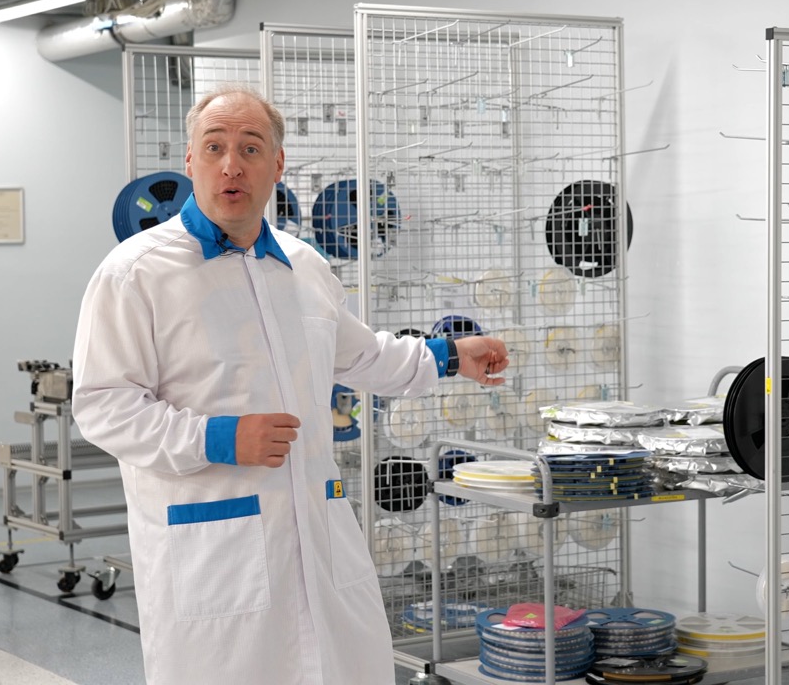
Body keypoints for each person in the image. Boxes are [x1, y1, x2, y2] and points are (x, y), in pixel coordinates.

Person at [72, 83, 509, 685]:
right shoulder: (135, 273)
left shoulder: (303, 266)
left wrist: (450, 354)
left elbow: (362, 356)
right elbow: (104, 406)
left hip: (319, 536)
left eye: (251, 148)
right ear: (191, 161)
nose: (232, 165)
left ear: (277, 165)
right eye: (215, 147)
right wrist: (218, 438)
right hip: (214, 550)